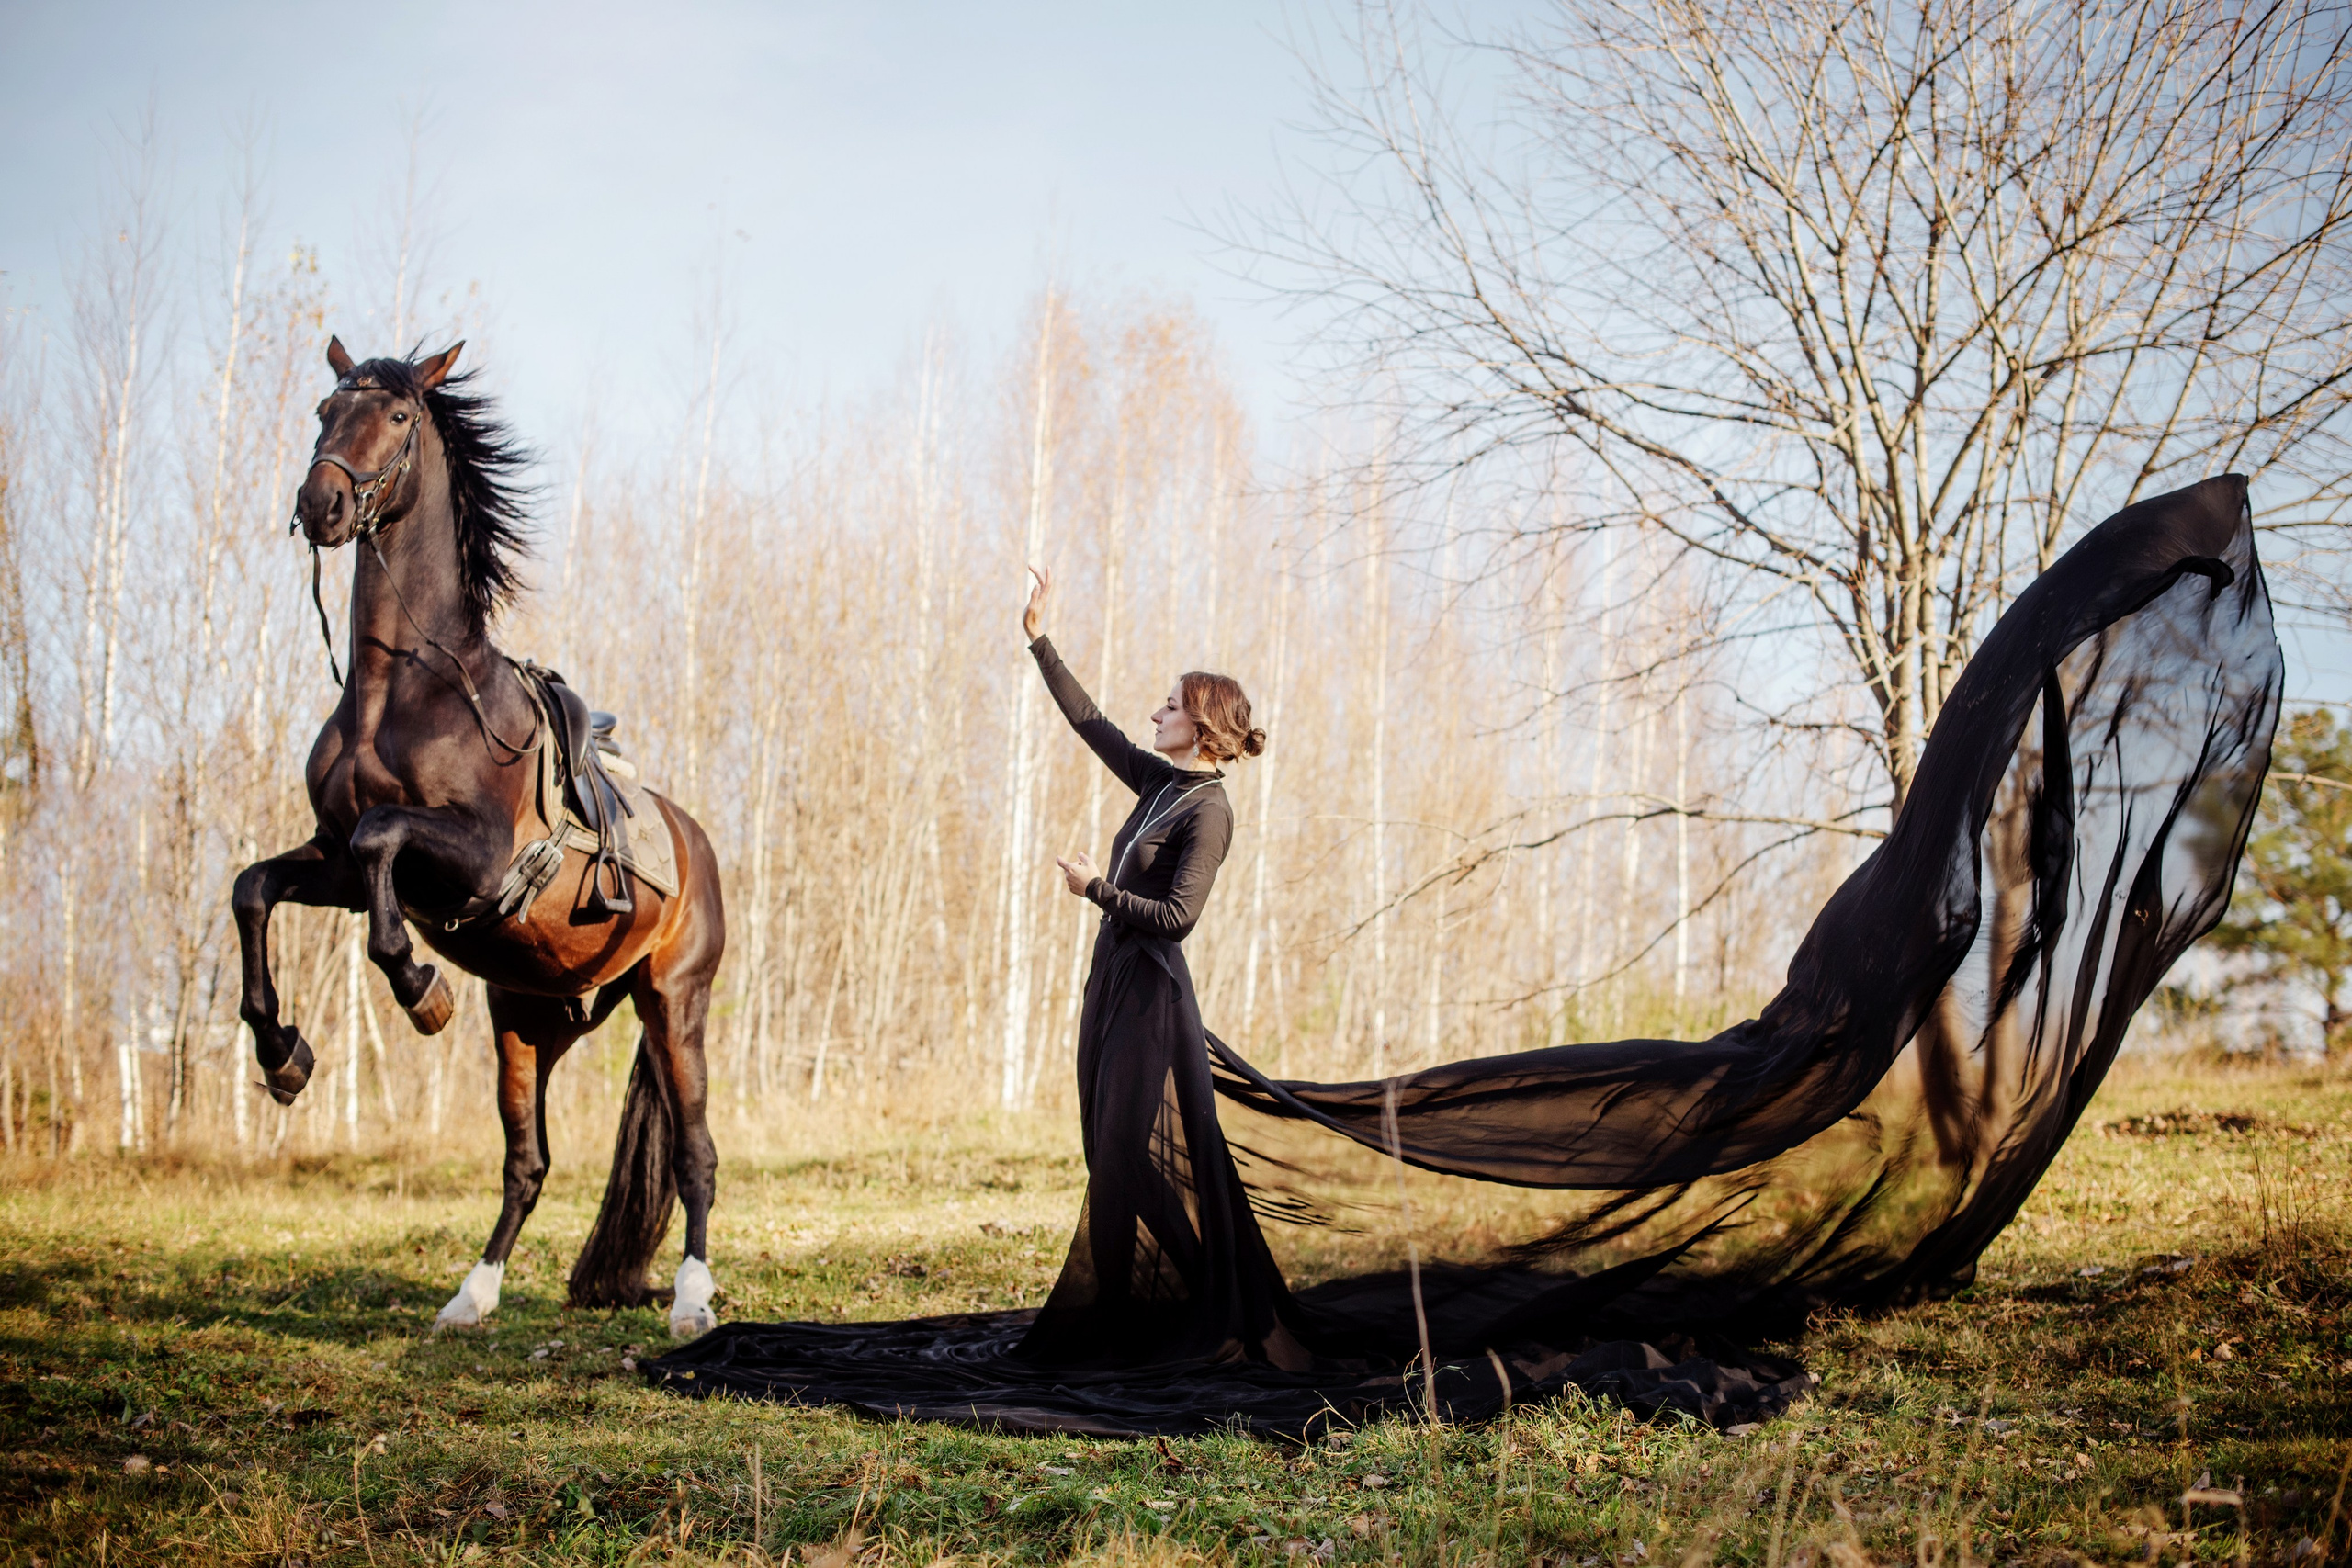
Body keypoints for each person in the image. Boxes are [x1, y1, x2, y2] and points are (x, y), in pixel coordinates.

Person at [1012, 564, 1311, 1371]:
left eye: (1171, 705)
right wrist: (1038, 637)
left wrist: (1095, 888)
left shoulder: (1210, 811)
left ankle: (1180, 1315)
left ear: (1204, 726)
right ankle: (1199, 1294)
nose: (1155, 712)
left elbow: (1178, 919)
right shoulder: (1156, 778)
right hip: (1108, 985)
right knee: (1105, 1152)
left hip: (1152, 997)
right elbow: (1090, 722)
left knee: (1120, 1156)